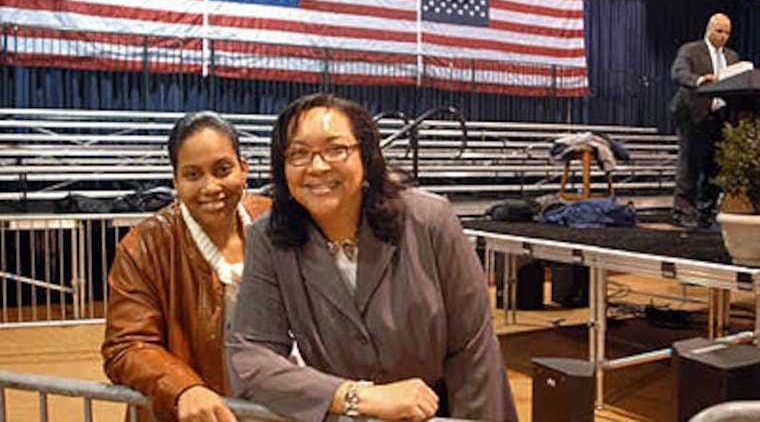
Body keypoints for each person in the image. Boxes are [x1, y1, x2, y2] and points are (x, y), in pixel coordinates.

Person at [226, 93, 518, 422]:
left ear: (366, 155)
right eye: (298, 154)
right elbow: (252, 355)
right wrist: (355, 396)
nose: (318, 166)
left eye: (335, 149)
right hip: (344, 415)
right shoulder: (269, 238)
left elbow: (474, 350)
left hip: (443, 414)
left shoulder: (430, 219)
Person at [102, 111, 271, 422]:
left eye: (223, 169)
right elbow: (125, 346)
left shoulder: (275, 222)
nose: (211, 187)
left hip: (273, 407)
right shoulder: (143, 246)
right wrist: (183, 387)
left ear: (244, 168)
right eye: (193, 175)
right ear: (176, 181)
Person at [670, 12, 738, 228]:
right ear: (709, 29)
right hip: (693, 114)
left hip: (720, 116)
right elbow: (678, 73)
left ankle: (705, 211)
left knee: (715, 166)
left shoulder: (732, 57)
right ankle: (683, 211)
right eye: (719, 31)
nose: (723, 36)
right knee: (690, 163)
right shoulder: (691, 50)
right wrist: (699, 80)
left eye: (727, 33)